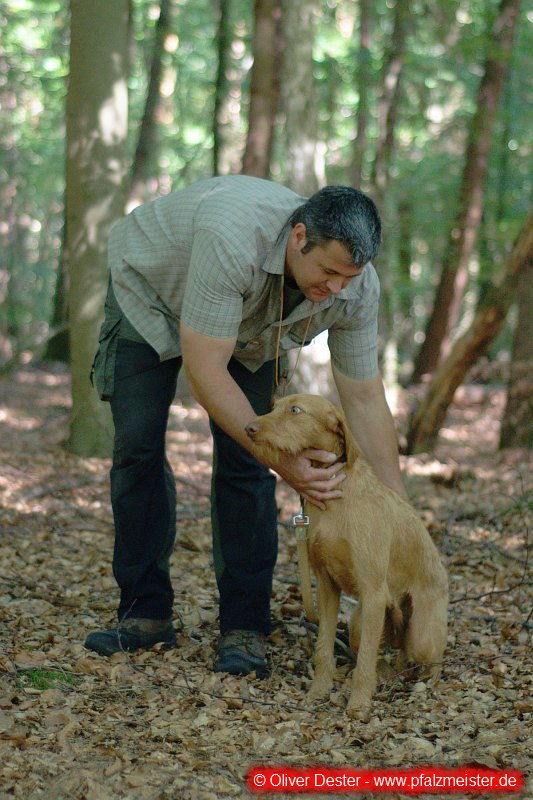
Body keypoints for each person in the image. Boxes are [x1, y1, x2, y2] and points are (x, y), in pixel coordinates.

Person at [84, 174, 407, 677]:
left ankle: (244, 628)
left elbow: (364, 398)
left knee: (248, 462)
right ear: (299, 236)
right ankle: (144, 614)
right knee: (137, 448)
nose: (335, 289)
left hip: (253, 321)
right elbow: (206, 370)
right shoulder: (233, 239)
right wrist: (286, 465)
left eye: (348, 277)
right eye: (328, 272)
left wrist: (400, 517)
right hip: (150, 294)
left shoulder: (355, 288)